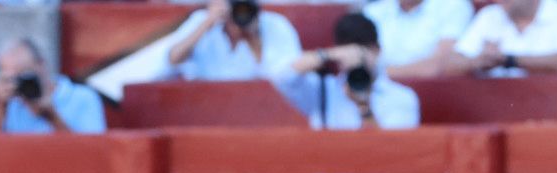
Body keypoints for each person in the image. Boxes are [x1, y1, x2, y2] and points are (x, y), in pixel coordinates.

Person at [275, 13, 420, 129]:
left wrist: (364, 107)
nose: (355, 59)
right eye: (348, 51)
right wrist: (328, 55)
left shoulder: (402, 97)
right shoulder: (323, 89)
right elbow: (281, 77)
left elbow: (396, 150)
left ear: (377, 50)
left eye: (363, 51)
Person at [0, 37, 106, 134]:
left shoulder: (83, 97)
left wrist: (51, 116)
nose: (19, 83)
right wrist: (1, 105)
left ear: (41, 64)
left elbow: (92, 152)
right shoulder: (12, 103)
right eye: (11, 79)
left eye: (23, 74)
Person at [164, 0, 302, 81]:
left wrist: (253, 37)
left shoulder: (276, 24)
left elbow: (287, 75)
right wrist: (209, 22)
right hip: (205, 102)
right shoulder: (202, 21)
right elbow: (173, 59)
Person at [450, 0, 557, 77]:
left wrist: (509, 60)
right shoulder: (489, 16)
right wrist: (476, 62)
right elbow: (450, 64)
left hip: (555, 110)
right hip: (493, 110)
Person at [360, 0, 474, 80]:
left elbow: (440, 65)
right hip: (377, 93)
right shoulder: (373, 11)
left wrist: (379, 74)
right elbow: (359, 59)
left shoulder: (454, 5)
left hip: (432, 93)